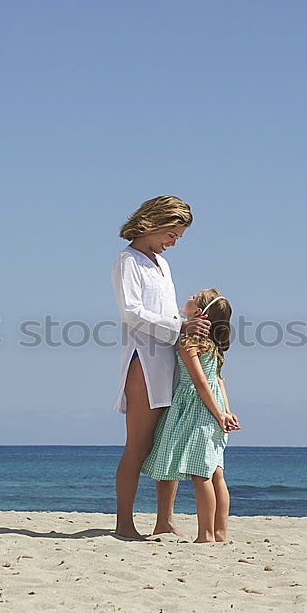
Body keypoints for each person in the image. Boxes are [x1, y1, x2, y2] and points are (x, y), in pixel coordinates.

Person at [111, 196, 212, 539]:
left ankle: (164, 521)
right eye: (172, 234)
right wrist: (180, 328)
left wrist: (190, 326)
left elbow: (167, 312)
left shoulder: (162, 265)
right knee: (138, 445)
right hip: (143, 359)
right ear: (154, 223)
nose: (173, 243)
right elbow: (132, 312)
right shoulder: (128, 260)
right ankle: (124, 524)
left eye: (178, 237)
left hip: (171, 359)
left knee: (168, 441)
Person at [141, 289, 241, 543]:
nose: (189, 296)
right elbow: (218, 380)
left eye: (194, 297)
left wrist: (219, 414)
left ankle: (206, 534)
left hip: (196, 407)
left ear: (198, 313)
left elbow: (200, 382)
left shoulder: (190, 341)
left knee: (201, 474)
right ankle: (220, 533)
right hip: (214, 407)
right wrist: (226, 411)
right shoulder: (215, 344)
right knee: (216, 472)